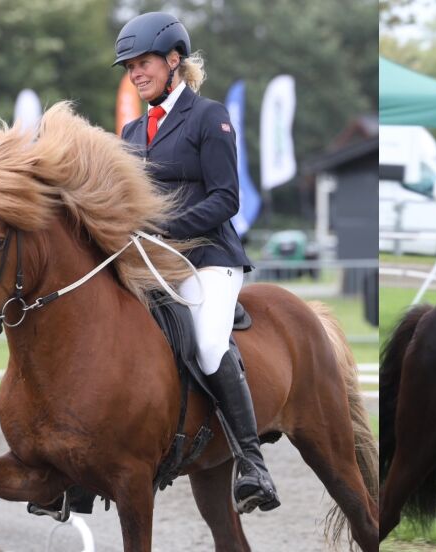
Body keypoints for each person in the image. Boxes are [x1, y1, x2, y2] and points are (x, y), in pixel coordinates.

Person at [114, 12, 279, 513]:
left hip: (208, 257)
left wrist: (164, 228)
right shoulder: (131, 130)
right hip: (152, 264)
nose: (136, 73)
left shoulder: (210, 117)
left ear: (173, 61)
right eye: (130, 67)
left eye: (143, 63)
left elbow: (227, 199)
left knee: (208, 344)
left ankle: (252, 465)